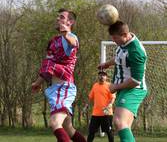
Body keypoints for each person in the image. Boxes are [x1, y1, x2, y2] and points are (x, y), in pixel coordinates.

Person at [32, 8, 86, 142]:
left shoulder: (71, 37)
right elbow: (48, 66)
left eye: (62, 17)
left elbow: (74, 44)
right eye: (58, 17)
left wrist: (66, 33)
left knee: (55, 123)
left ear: (70, 22)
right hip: (54, 89)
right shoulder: (54, 41)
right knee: (68, 128)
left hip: (64, 88)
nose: (58, 19)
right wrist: (37, 83)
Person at [98, 20, 148, 142]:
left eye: (115, 38)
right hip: (125, 89)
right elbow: (120, 57)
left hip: (134, 90)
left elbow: (136, 80)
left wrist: (116, 87)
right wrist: (107, 64)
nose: (113, 40)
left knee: (119, 121)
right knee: (124, 125)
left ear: (125, 35)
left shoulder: (136, 51)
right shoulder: (124, 43)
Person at [86, 71, 116, 142]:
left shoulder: (109, 86)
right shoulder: (95, 85)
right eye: (100, 75)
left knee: (109, 132)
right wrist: (86, 105)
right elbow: (90, 97)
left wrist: (110, 104)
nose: (101, 77)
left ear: (106, 77)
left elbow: (113, 98)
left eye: (103, 75)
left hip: (106, 113)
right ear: (98, 77)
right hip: (95, 114)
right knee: (91, 132)